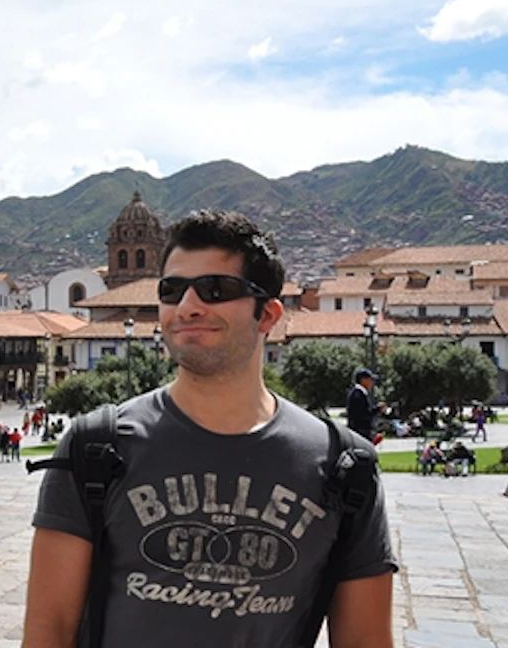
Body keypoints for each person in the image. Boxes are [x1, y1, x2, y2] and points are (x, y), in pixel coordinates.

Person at [24, 210, 396, 647]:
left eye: (215, 290)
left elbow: (365, 641)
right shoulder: (95, 448)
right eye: (172, 290)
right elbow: (49, 632)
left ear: (268, 315)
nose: (187, 306)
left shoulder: (343, 468)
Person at [346, 367, 379, 441]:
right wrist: (377, 409)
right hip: (360, 432)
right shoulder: (358, 395)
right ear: (363, 380)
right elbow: (363, 413)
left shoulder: (361, 393)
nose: (372, 382)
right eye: (370, 379)